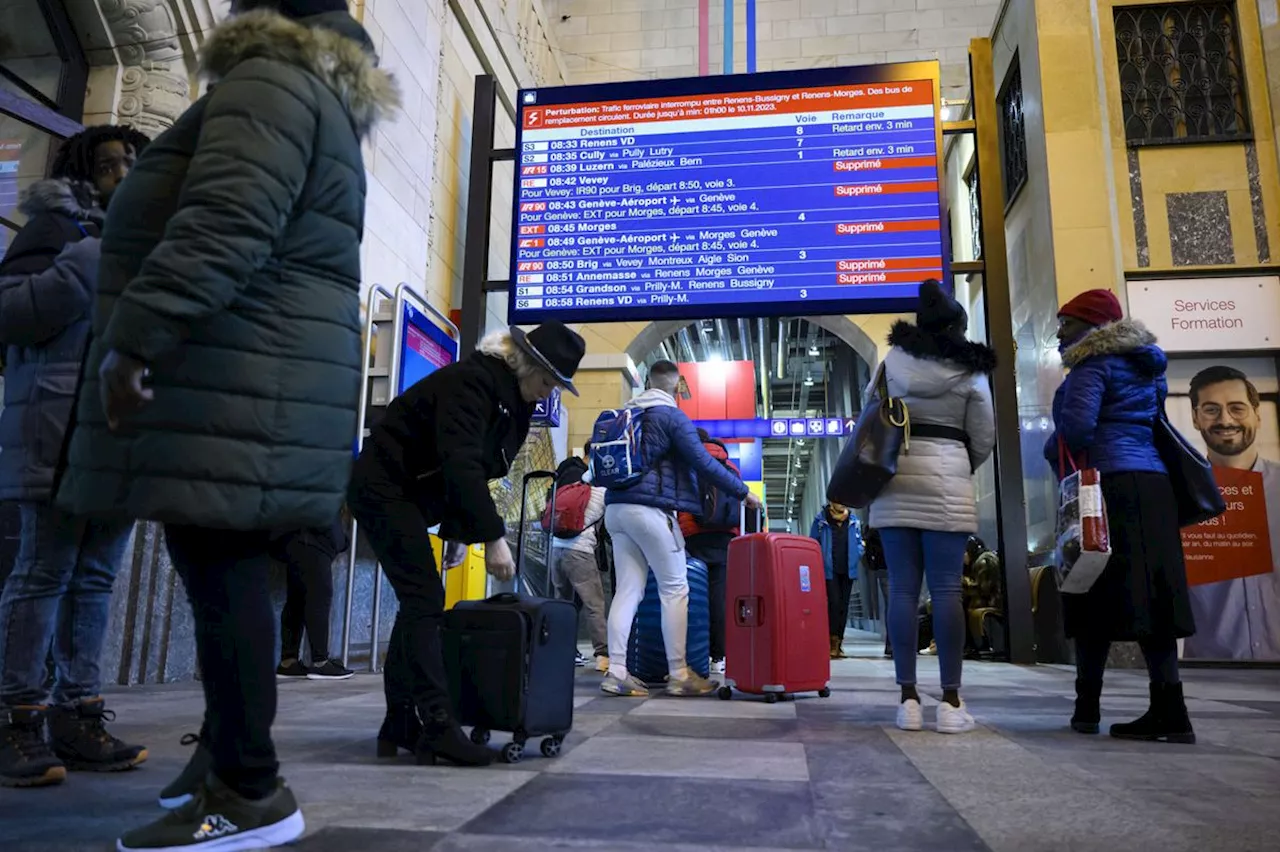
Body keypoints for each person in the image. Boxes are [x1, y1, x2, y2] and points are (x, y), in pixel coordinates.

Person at [53, 1, 399, 848]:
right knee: (221, 569)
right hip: (254, 376)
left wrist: (135, 336)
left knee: (221, 571)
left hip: (233, 370)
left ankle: (250, 792)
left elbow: (227, 220)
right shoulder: (313, 91)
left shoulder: (272, 81)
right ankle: (223, 761)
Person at [348, 321, 584, 766]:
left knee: (420, 601)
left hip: (409, 495)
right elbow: (460, 462)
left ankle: (400, 722)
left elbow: (477, 469)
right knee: (424, 599)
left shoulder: (515, 401)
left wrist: (457, 530)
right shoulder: (473, 383)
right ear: (526, 363)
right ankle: (436, 725)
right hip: (382, 487)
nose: (549, 392)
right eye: (549, 381)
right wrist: (492, 537)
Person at [0, 124, 150, 789]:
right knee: (43, 573)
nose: (124, 174)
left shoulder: (151, 246)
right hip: (57, 431)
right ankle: (14, 722)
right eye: (111, 164)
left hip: (122, 440)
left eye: (134, 165)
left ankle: (77, 717)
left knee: (95, 579)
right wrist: (90, 262)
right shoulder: (56, 233)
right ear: (83, 174)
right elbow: (10, 315)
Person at [1045, 289, 1196, 744]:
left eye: (1067, 323)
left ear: (1092, 328)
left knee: (1089, 588)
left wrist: (1050, 447)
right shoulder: (1148, 369)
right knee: (1158, 599)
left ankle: (1086, 707)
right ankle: (1171, 710)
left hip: (1105, 488)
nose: (1059, 332)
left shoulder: (1091, 367)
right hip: (1153, 488)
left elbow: (1076, 428)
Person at [869, 280, 995, 734]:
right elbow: (983, 435)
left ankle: (907, 701)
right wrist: (959, 463)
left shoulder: (891, 364)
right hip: (947, 481)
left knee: (903, 590)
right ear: (959, 327)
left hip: (895, 480)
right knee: (947, 592)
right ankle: (951, 703)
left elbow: (870, 419)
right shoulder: (970, 369)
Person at [600, 360, 762, 698]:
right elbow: (704, 462)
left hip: (615, 509)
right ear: (677, 389)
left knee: (628, 590)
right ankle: (679, 674)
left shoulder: (626, 414)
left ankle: (616, 671)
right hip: (651, 511)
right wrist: (743, 492)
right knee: (675, 589)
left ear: (647, 382)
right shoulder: (673, 417)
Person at [1182, 366, 1279, 660]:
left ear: (1257, 415)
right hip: (1211, 674)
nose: (1225, 420)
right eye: (1211, 409)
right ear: (1196, 419)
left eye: (1237, 408)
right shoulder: (1180, 497)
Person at [678, 428, 741, 675]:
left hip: (695, 536)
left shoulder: (689, 463)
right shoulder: (731, 468)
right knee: (719, 598)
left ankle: (694, 654)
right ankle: (719, 656)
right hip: (725, 538)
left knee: (691, 596)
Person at [549, 443, 610, 672]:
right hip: (580, 552)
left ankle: (559, 649)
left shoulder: (568, 484)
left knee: (562, 603)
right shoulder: (602, 494)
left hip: (557, 548)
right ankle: (603, 655)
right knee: (594, 604)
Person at [272, 514, 353, 680]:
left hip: (292, 536)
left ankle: (288, 662)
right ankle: (320, 662)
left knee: (297, 598)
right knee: (319, 598)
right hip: (311, 539)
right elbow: (321, 507)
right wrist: (338, 539)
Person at [810, 501, 863, 659]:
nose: (841, 504)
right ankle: (830, 641)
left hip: (848, 569)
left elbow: (859, 542)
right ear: (832, 502)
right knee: (834, 603)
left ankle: (839, 643)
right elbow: (814, 542)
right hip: (829, 570)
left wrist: (858, 553)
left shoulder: (853, 520)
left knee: (844, 607)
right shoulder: (821, 520)